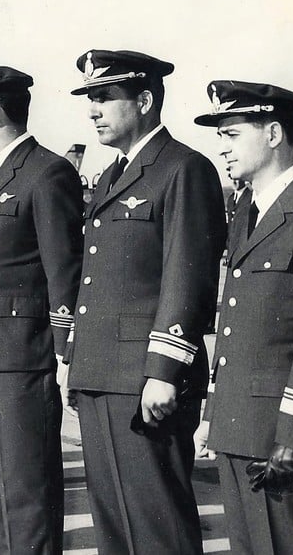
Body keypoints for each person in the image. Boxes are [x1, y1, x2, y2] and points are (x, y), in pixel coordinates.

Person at [65, 50, 226, 555]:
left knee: (157, 522)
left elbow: (187, 278)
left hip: (144, 377)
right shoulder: (113, 175)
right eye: (90, 99)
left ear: (145, 100)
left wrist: (164, 371)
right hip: (102, 373)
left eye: (104, 98)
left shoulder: (183, 169)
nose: (93, 110)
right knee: (113, 519)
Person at [195, 80, 293, 554]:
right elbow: (237, 323)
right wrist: (213, 414)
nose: (221, 147)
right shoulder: (248, 210)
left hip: (283, 438)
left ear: (272, 134)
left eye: (231, 133)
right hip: (238, 427)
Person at [0, 66, 84, 554]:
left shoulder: (46, 172)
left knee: (27, 494)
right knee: (2, 493)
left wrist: (66, 355)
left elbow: (64, 271)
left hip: (19, 360)